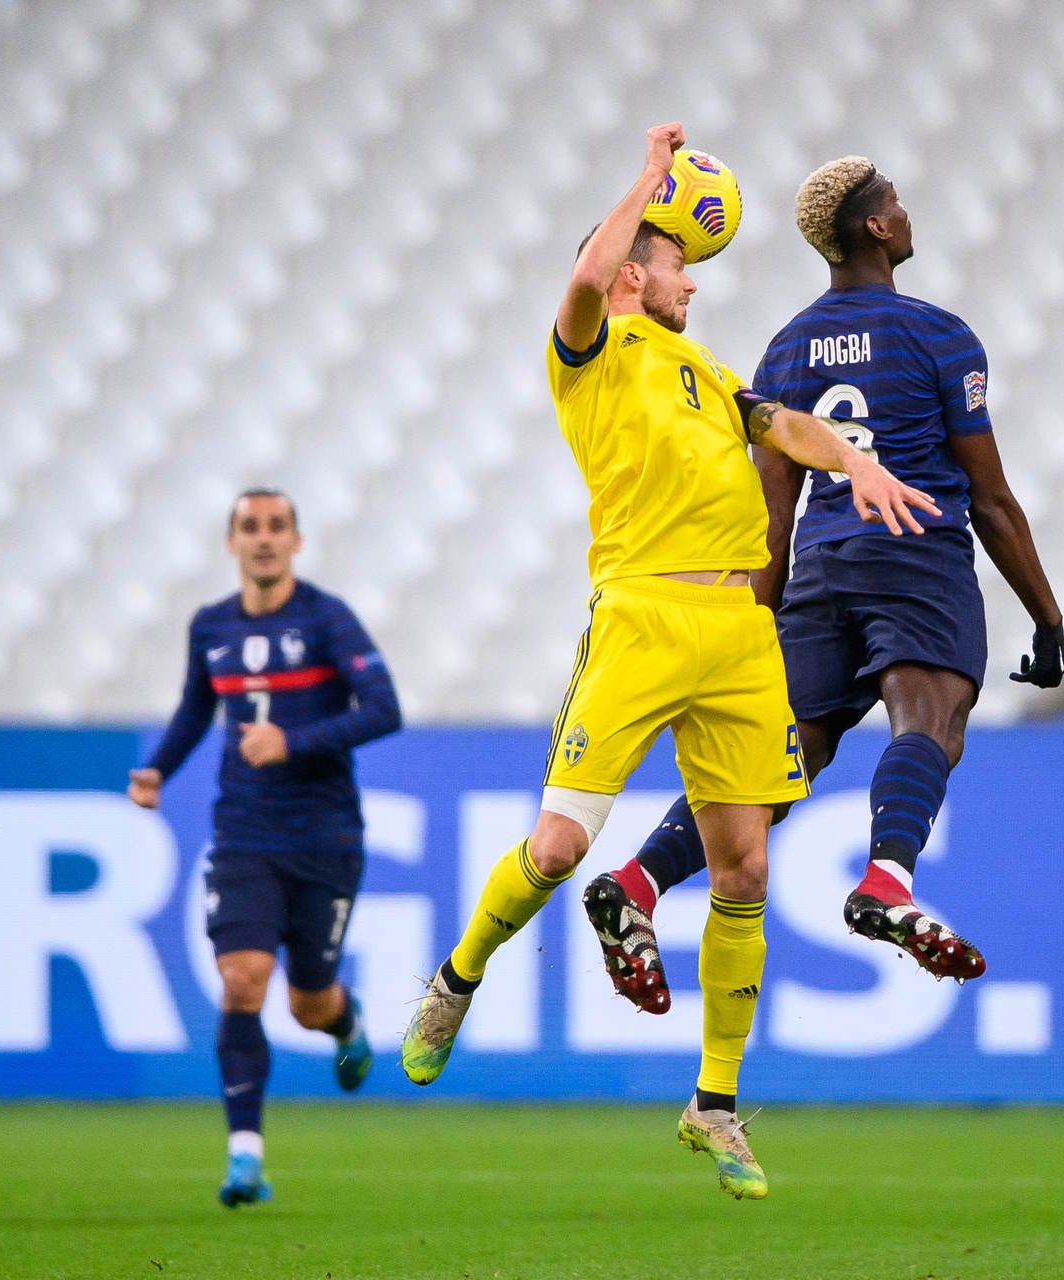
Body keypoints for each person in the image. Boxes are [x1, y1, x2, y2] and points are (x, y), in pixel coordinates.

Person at [397, 124, 937, 1201]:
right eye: (680, 260)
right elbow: (590, 271)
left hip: (740, 632)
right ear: (640, 272)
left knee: (745, 869)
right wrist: (652, 175)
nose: (695, 274)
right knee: (555, 849)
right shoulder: (591, 350)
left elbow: (782, 424)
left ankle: (716, 1105)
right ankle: (455, 979)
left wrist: (858, 461)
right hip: (642, 620)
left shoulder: (704, 367)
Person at [580, 154, 1064, 1020]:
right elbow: (990, 497)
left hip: (817, 567)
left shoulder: (788, 346)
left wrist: (756, 623)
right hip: (916, 549)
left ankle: (638, 878)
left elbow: (773, 503)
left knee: (782, 756)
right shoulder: (940, 334)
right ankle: (887, 876)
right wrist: (1046, 615)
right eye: (897, 204)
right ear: (876, 227)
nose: (907, 212)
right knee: (931, 721)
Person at [127, 487, 402, 1208]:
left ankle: (346, 1023)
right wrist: (159, 764)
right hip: (244, 832)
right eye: (250, 527)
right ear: (231, 543)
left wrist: (293, 740)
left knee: (307, 1003)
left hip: (325, 836)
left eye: (277, 526)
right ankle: (244, 1154)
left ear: (296, 542)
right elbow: (196, 706)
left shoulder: (325, 619)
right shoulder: (210, 626)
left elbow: (384, 709)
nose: (264, 539)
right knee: (243, 978)